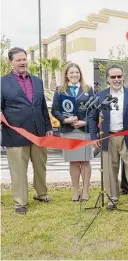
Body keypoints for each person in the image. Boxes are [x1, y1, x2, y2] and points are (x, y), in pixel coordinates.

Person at [1, 47, 53, 214]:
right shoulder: (2, 82)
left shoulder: (37, 81)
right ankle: (20, 202)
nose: (23, 62)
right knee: (18, 170)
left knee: (40, 166)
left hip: (38, 133)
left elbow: (42, 106)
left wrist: (48, 127)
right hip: (15, 134)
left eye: (24, 59)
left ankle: (41, 194)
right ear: (11, 62)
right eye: (18, 60)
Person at [88, 64, 128, 209]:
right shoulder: (100, 95)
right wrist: (94, 137)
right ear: (108, 79)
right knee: (110, 170)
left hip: (127, 137)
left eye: (119, 76)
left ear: (123, 78)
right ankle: (112, 199)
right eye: (113, 77)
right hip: (108, 138)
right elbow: (92, 118)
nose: (116, 79)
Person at [51, 63, 94, 202]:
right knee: (74, 162)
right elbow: (55, 110)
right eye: (72, 73)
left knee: (85, 161)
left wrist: (85, 121)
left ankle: (86, 191)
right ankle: (76, 191)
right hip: (68, 131)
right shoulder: (60, 90)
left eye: (77, 72)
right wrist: (65, 119)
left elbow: (94, 109)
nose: (75, 75)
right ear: (66, 75)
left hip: (84, 130)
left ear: (80, 74)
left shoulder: (88, 89)